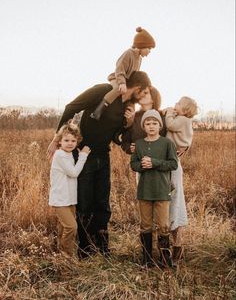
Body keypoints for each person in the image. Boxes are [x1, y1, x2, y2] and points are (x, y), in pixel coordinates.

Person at [47, 71, 152, 257]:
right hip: (84, 155)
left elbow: (115, 137)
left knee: (102, 205)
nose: (144, 97)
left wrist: (127, 124)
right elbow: (71, 107)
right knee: (85, 205)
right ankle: (85, 250)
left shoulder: (127, 107)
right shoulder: (102, 91)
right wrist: (57, 138)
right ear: (137, 88)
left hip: (103, 157)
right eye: (144, 93)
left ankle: (102, 247)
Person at [130, 109, 178, 267]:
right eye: (148, 123)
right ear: (144, 126)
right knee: (145, 225)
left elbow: (173, 164)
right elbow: (133, 164)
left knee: (163, 225)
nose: (151, 126)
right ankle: (147, 259)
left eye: (155, 123)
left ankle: (165, 259)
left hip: (162, 191)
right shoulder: (139, 144)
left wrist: (155, 162)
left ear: (160, 125)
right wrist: (143, 166)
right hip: (144, 191)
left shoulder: (167, 143)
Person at [90, 27, 156, 120]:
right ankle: (98, 111)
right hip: (117, 78)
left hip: (127, 82)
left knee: (131, 98)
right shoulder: (128, 53)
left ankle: (125, 120)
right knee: (118, 89)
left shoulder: (139, 59)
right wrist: (121, 82)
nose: (149, 52)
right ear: (142, 45)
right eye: (149, 49)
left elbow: (136, 75)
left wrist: (146, 85)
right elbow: (119, 68)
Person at [163, 96, 198, 264]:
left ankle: (177, 243)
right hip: (172, 160)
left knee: (175, 199)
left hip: (173, 163)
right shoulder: (184, 120)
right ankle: (173, 242)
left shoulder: (182, 120)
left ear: (184, 110)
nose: (174, 105)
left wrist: (169, 112)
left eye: (177, 104)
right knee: (173, 200)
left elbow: (169, 125)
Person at [49, 123, 90, 256]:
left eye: (73, 140)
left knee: (63, 228)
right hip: (60, 199)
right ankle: (66, 257)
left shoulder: (70, 154)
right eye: (66, 140)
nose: (70, 143)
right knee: (71, 227)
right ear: (59, 141)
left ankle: (61, 256)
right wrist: (83, 156)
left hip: (70, 199)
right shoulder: (60, 154)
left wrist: (79, 156)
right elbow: (73, 173)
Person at [121, 85, 162, 155]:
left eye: (146, 93)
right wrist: (130, 149)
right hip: (139, 162)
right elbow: (125, 142)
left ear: (153, 99)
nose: (141, 94)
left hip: (158, 161)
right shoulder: (134, 117)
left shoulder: (162, 117)